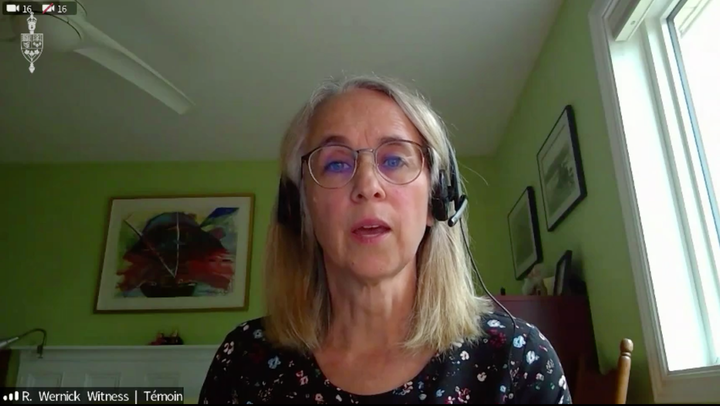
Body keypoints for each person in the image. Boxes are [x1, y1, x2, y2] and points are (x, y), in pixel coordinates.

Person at [198, 75, 571, 404]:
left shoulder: (516, 361)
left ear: (437, 200)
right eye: (335, 163)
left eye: (394, 160)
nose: (367, 187)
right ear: (302, 210)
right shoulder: (245, 362)